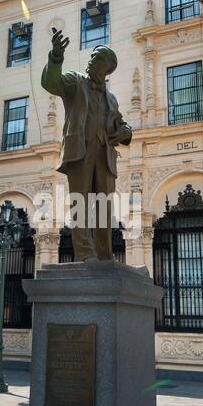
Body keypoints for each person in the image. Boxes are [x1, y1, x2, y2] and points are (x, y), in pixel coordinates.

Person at [41, 28, 132, 262]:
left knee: (104, 207)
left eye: (98, 57)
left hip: (105, 154)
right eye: (92, 56)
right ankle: (84, 252)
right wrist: (56, 56)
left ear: (108, 66)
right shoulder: (75, 81)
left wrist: (126, 131)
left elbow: (121, 125)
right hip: (80, 150)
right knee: (79, 201)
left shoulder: (111, 98)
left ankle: (104, 253)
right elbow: (51, 83)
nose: (92, 59)